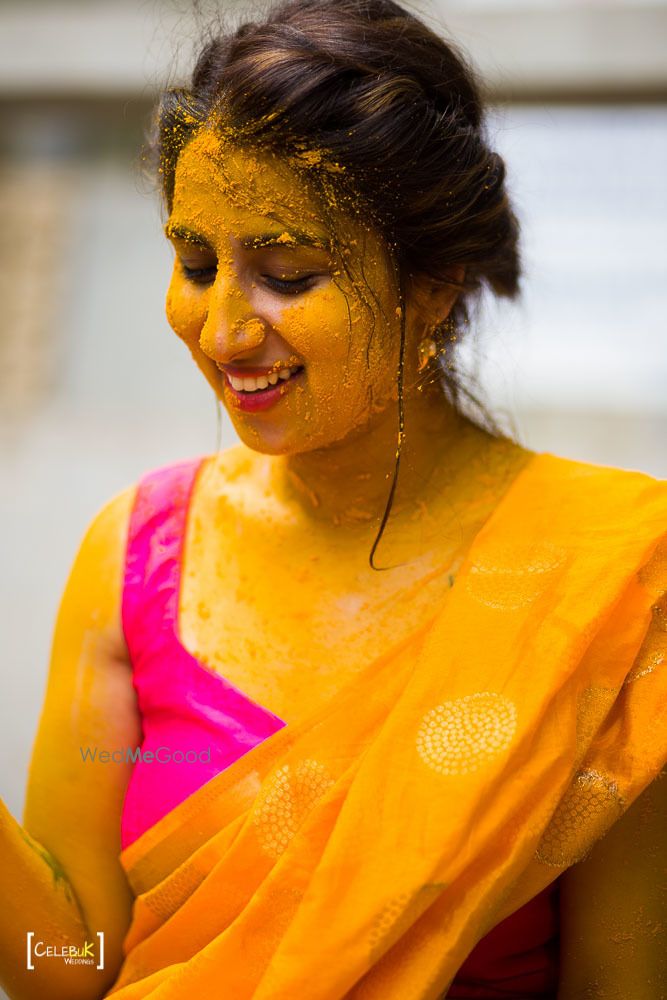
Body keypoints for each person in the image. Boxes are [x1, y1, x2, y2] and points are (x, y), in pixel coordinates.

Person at [1, 1, 666, 997]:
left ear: (434, 282)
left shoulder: (610, 579)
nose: (221, 330)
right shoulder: (136, 554)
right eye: (194, 264)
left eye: (286, 273)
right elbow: (71, 970)